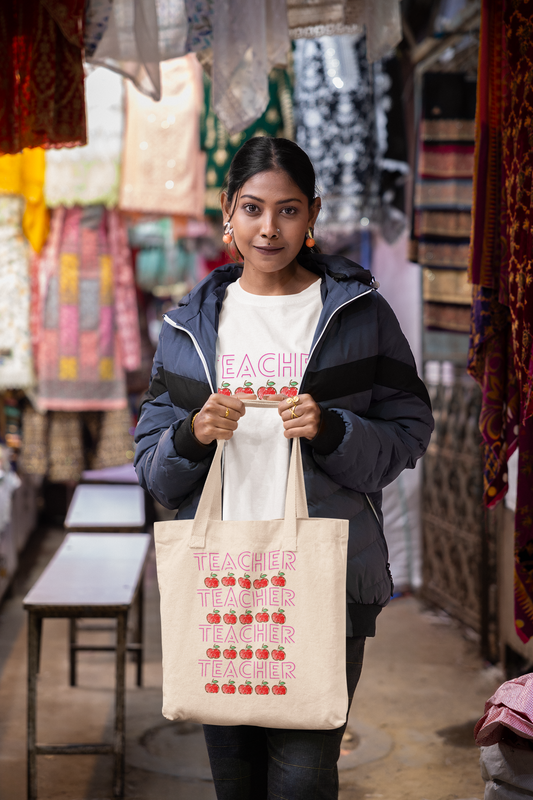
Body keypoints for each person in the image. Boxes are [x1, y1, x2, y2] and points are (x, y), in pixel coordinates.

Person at [134, 137, 434, 799]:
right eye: (252, 208)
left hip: (322, 578)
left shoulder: (360, 314)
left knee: (301, 779)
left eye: (288, 210)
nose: (268, 228)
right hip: (220, 581)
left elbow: (410, 431)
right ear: (227, 213)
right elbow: (154, 473)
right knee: (234, 781)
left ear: (312, 215)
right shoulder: (188, 326)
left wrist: (333, 430)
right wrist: (192, 434)